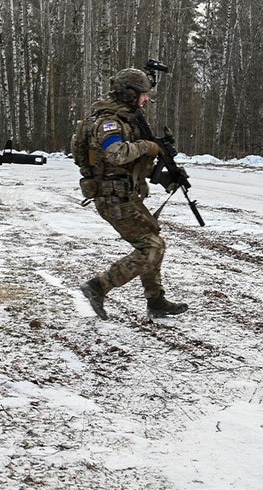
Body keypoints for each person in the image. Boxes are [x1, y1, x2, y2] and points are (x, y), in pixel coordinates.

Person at [74, 68, 188, 320]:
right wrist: (149, 146)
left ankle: (155, 301)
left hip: (124, 195)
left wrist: (168, 177)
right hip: (111, 198)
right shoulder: (108, 122)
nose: (146, 100)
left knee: (154, 242)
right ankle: (98, 286)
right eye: (143, 95)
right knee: (151, 248)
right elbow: (117, 154)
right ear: (129, 94)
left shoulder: (126, 120)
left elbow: (131, 166)